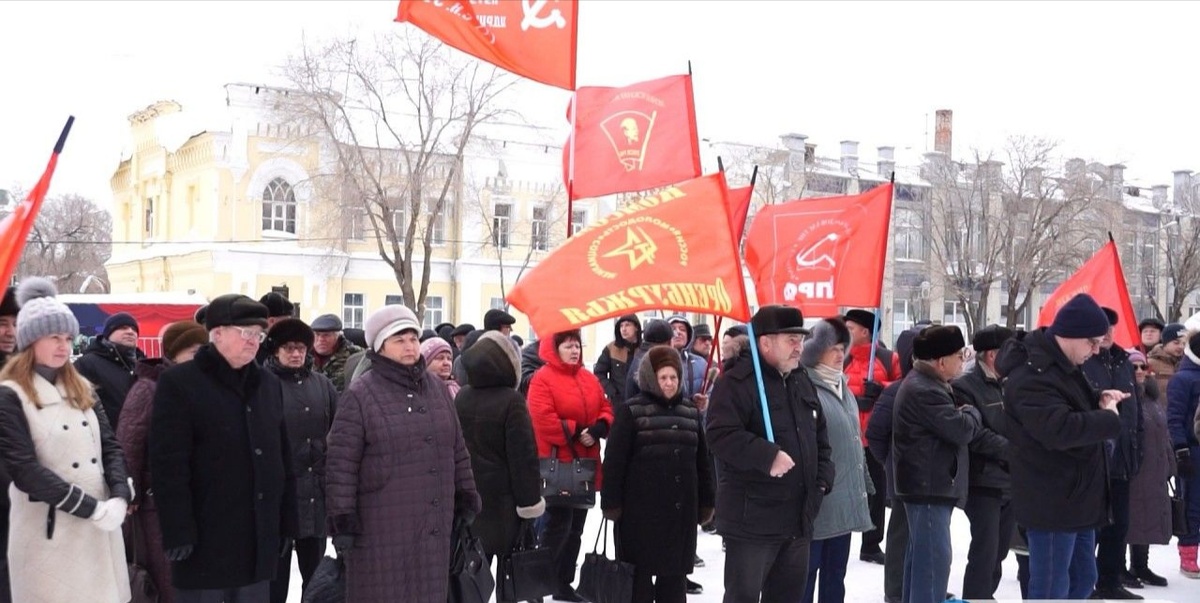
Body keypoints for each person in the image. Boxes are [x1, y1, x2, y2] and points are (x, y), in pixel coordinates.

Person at [325, 304, 480, 602]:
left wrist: (466, 494)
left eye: (413, 338)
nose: (409, 346)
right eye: (399, 340)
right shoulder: (361, 394)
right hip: (379, 527)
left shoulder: (437, 389)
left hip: (433, 522)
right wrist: (342, 517)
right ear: (380, 347)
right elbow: (341, 463)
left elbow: (457, 448)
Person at [151, 294, 298, 602]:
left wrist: (286, 520)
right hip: (205, 539)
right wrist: (177, 529)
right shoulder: (180, 383)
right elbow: (168, 464)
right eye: (245, 333)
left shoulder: (267, 384)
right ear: (217, 333)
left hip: (257, 537)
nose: (254, 341)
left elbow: (281, 456)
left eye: (259, 335)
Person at [0, 277, 133, 601]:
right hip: (48, 530)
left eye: (68, 337)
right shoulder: (10, 394)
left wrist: (118, 494)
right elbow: (25, 469)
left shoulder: (83, 389)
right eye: (53, 337)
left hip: (99, 528)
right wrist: (90, 509)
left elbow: (110, 445)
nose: (64, 345)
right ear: (31, 341)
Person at [998, 293, 1127, 599]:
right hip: (1052, 498)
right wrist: (1107, 419)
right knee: (1052, 586)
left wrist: (1097, 399)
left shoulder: (1061, 365)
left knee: (1083, 579)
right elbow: (1058, 429)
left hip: (1076, 497)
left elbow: (1066, 405)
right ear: (1069, 335)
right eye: (1092, 342)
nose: (1096, 350)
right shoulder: (1033, 374)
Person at [706, 305, 834, 603]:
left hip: (798, 517)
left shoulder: (801, 379)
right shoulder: (736, 382)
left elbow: (820, 438)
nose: (799, 346)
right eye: (791, 339)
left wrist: (823, 479)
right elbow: (719, 435)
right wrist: (767, 456)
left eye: (800, 339)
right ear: (765, 342)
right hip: (753, 521)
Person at [602, 345, 714, 603]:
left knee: (674, 583)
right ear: (652, 379)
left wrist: (707, 501)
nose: (669, 383)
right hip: (639, 514)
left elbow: (702, 464)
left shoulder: (690, 413)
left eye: (673, 377)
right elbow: (614, 463)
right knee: (638, 582)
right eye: (663, 377)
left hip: (680, 514)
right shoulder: (631, 411)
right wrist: (612, 503)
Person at [117, 320, 208, 603]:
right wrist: (129, 490)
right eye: (194, 351)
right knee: (168, 584)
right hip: (155, 508)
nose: (202, 358)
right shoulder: (149, 389)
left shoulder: (205, 387)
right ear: (173, 353)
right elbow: (127, 443)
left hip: (197, 505)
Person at [893, 325, 980, 603]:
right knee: (931, 569)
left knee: (921, 565)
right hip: (928, 487)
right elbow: (961, 430)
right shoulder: (924, 389)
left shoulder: (928, 383)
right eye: (960, 355)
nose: (963, 360)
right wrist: (972, 412)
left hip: (927, 486)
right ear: (941, 361)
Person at [527, 329, 614, 601]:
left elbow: (605, 407)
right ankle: (540, 584)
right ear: (555, 350)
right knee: (556, 528)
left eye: (577, 345)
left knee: (576, 527)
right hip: (558, 464)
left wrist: (600, 427)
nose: (574, 351)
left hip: (584, 464)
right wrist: (577, 430)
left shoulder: (588, 378)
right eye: (568, 346)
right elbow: (542, 418)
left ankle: (564, 583)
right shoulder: (542, 379)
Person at [262, 318, 338, 603]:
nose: (295, 354)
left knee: (316, 577)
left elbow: (338, 429)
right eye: (288, 348)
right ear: (276, 351)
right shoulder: (263, 385)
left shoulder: (322, 385)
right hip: (279, 493)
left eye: (301, 348)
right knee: (275, 578)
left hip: (315, 493)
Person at [454, 331, 545, 566]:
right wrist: (530, 504)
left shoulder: (462, 396)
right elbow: (523, 458)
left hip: (470, 498)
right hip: (504, 502)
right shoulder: (511, 401)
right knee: (508, 572)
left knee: (472, 574)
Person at [799, 319, 873, 603]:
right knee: (806, 576)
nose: (839, 353)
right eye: (832, 348)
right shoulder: (807, 388)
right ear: (816, 352)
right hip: (819, 503)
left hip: (844, 502)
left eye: (843, 347)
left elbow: (854, 441)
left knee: (835, 578)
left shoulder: (843, 387)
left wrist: (863, 485)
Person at [1082, 308, 1144, 599]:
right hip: (1095, 457)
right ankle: (1085, 582)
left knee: (1119, 525)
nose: (1107, 334)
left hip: (1124, 456)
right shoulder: (1083, 361)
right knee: (1091, 526)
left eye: (1111, 328)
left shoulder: (1123, 361)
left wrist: (1137, 447)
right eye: (1102, 329)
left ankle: (1111, 579)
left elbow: (1136, 409)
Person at [951, 325, 1015, 601]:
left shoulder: (1013, 382)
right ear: (992, 355)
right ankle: (977, 596)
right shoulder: (965, 386)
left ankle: (985, 595)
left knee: (999, 552)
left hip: (1012, 482)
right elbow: (975, 435)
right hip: (983, 482)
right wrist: (1015, 451)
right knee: (985, 552)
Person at [843, 308, 900, 565]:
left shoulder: (888, 359)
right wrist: (854, 399)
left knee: (876, 492)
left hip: (876, 438)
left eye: (851, 328)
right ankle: (837, 536)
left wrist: (881, 390)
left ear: (866, 332)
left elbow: (905, 387)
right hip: (846, 437)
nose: (846, 332)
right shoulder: (840, 357)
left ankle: (871, 543)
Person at [1125, 349, 1173, 588]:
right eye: (1133, 367)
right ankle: (1117, 568)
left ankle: (1141, 564)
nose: (1140, 372)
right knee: (1132, 518)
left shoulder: (1152, 398)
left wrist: (1170, 463)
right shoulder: (1125, 397)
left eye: (1142, 367)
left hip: (1155, 469)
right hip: (1134, 468)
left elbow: (1164, 434)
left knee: (1148, 517)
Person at [74, 311, 145, 427]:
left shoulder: (143, 366)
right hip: (107, 439)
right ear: (108, 333)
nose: (130, 332)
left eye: (134, 329)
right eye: (123, 328)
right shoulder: (88, 364)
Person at [1167, 331, 1200, 578]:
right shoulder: (1183, 379)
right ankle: (1188, 555)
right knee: (1191, 504)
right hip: (1193, 450)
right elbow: (1174, 418)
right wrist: (1181, 450)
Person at [0, 285, 19, 602]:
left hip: (19, 497)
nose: (10, 332)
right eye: (3, 322)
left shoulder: (24, 372)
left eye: (17, 323)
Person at [594, 314, 642, 405]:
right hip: (618, 403)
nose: (623, 329)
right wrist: (612, 392)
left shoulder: (644, 350)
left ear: (636, 327)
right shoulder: (611, 348)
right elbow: (598, 373)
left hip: (640, 403)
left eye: (627, 325)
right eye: (621, 326)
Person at [310, 314, 363, 393]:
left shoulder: (355, 355)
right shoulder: (303, 356)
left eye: (326, 335)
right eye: (317, 335)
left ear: (337, 336)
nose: (321, 339)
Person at [1148, 323, 1187, 394]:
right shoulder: (1150, 364)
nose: (1181, 346)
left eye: (1184, 343)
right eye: (1176, 343)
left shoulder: (1187, 364)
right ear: (1165, 342)